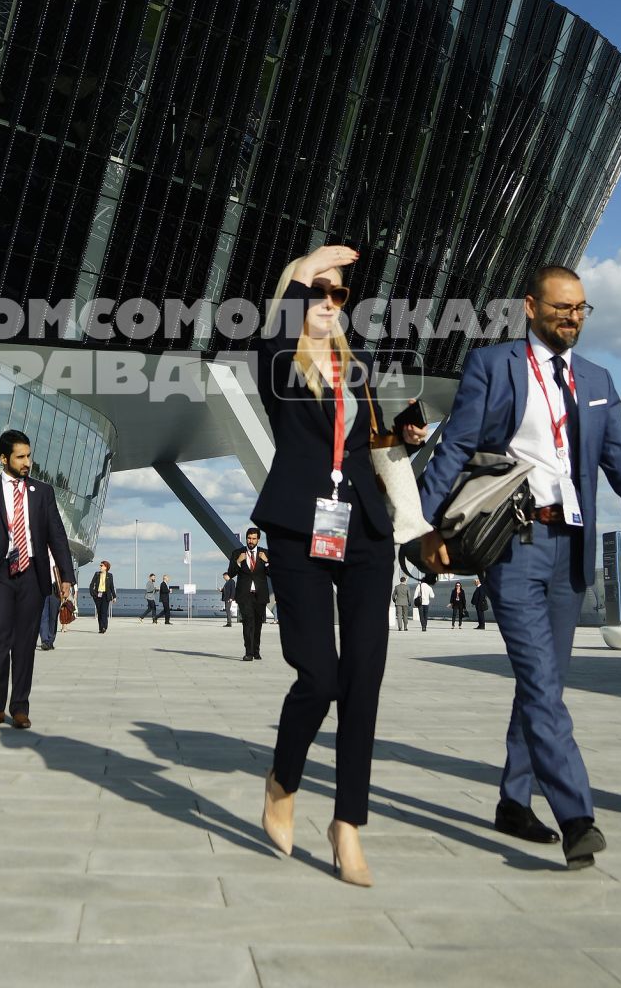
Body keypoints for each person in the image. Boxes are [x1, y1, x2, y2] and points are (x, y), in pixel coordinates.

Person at [418, 264, 621, 870]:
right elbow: (456, 444)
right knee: (538, 680)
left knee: (545, 683)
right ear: (530, 307)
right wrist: (422, 527)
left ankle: (513, 799)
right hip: (515, 541)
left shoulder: (597, 378)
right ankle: (577, 813)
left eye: (582, 309)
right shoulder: (494, 364)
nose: (573, 318)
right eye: (562, 308)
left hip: (571, 546)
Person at [252, 244, 425, 887]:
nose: (329, 300)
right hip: (300, 527)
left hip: (366, 531)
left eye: (339, 292)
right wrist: (309, 262)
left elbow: (365, 441)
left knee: (363, 683)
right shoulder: (275, 357)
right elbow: (278, 325)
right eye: (317, 290)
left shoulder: (360, 365)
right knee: (318, 677)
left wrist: (401, 433)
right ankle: (282, 781)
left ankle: (348, 823)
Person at [0, 429, 76, 730]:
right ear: (4, 458)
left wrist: (66, 575)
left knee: (25, 645)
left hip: (32, 576)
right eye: (20, 457)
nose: (27, 462)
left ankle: (20, 708)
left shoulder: (43, 492)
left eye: (29, 456)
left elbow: (57, 536)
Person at [224, 528, 272, 661]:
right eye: (249, 538)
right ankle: (248, 652)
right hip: (244, 595)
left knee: (258, 623)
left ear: (258, 539)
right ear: (246, 538)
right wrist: (238, 561)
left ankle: (256, 651)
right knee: (248, 622)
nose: (251, 541)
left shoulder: (265, 553)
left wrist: (266, 561)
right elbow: (231, 573)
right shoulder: (237, 553)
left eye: (253, 538)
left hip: (260, 594)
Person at [87, 561, 116, 632]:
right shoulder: (97, 574)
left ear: (106, 567)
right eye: (100, 565)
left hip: (106, 595)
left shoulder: (110, 575)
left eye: (102, 565)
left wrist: (114, 596)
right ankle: (100, 627)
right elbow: (91, 584)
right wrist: (92, 594)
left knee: (104, 611)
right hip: (97, 595)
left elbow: (112, 586)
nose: (100, 567)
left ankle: (104, 627)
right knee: (99, 612)